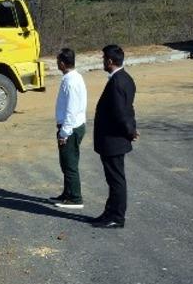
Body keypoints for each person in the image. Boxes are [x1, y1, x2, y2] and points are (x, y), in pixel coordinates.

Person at [91, 44, 137, 229]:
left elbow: (121, 113)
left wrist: (130, 131)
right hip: (115, 140)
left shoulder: (117, 82)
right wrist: (131, 129)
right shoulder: (125, 78)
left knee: (116, 180)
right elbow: (129, 109)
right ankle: (109, 213)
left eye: (103, 59)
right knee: (113, 180)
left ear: (110, 61)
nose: (102, 62)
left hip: (113, 140)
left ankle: (117, 217)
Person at [50, 48, 87, 209]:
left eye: (58, 62)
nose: (57, 64)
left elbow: (71, 110)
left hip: (70, 128)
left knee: (70, 164)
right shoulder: (74, 77)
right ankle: (67, 193)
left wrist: (64, 133)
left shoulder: (71, 82)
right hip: (73, 126)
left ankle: (76, 198)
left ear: (63, 63)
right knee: (65, 162)